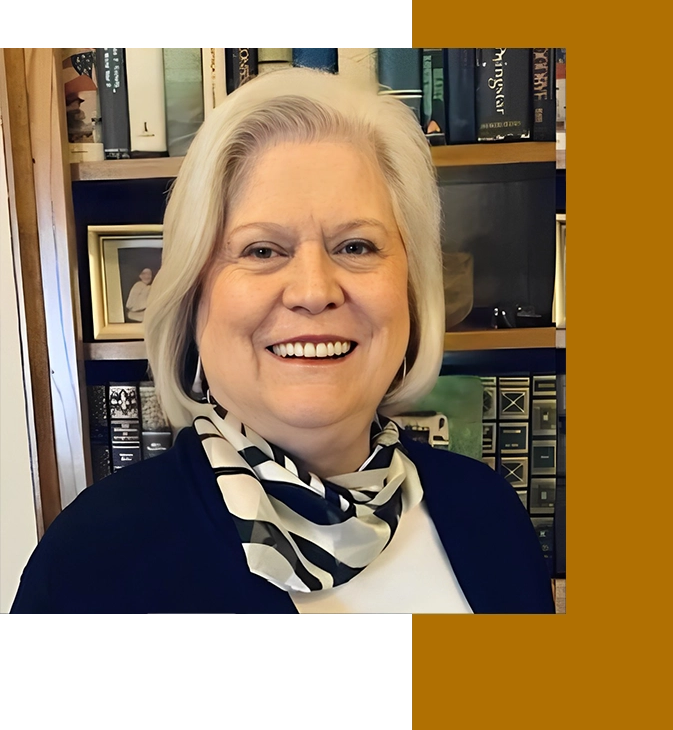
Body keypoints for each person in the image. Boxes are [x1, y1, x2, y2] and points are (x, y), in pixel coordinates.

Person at [11, 68, 554, 616]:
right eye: (262, 250)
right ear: (192, 297)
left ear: (411, 290)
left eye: (357, 246)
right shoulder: (93, 560)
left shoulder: (487, 513)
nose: (315, 292)